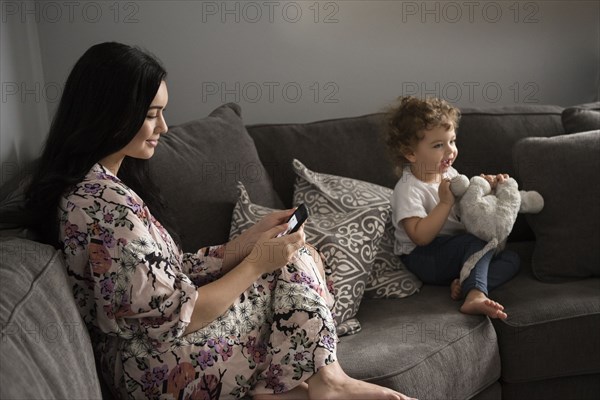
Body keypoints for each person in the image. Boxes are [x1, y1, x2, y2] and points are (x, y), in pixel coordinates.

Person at [24, 42, 415, 400]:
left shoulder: (101, 189)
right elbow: (178, 314)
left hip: (152, 357)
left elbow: (167, 276)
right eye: (151, 115)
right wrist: (258, 262)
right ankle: (326, 379)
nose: (163, 128)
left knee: (293, 253)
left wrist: (245, 244)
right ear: (109, 115)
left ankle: (296, 385)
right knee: (295, 259)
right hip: (157, 371)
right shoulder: (101, 204)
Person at [383, 96, 520, 319]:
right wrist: (445, 203)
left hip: (457, 252)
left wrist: (486, 187)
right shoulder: (408, 188)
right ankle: (475, 295)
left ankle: (465, 281)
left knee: (511, 259)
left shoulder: (449, 173)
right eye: (438, 145)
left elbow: (469, 206)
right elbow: (419, 237)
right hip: (424, 257)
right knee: (477, 243)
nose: (450, 151)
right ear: (411, 153)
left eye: (452, 141)